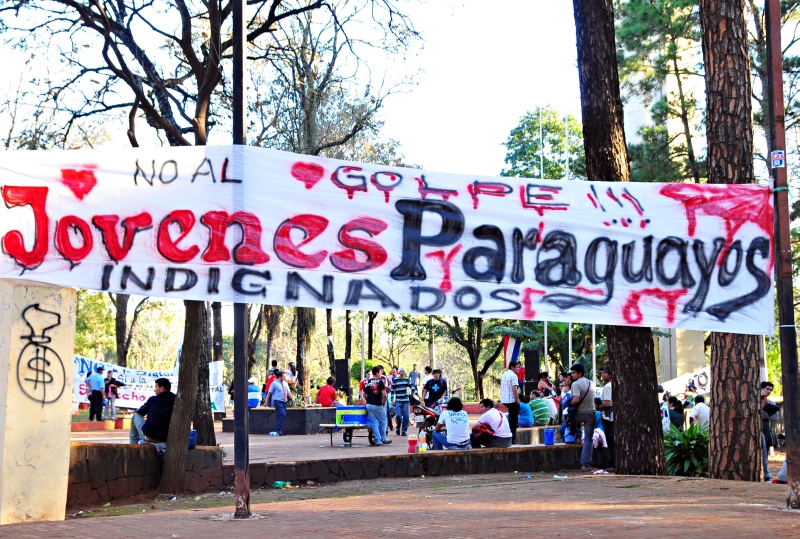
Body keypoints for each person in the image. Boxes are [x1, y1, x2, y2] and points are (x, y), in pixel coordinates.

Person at [129, 378, 175, 444]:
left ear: (162, 388)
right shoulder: (176, 400)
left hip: (149, 437)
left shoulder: (153, 400)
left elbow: (140, 412)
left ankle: (133, 444)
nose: (154, 390)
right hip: (166, 438)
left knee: (135, 415)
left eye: (156, 387)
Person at [569, 363, 596, 471]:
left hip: (580, 413)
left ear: (580, 373)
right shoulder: (591, 383)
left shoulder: (576, 384)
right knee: (589, 439)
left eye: (574, 373)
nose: (572, 375)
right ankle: (585, 464)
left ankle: (577, 436)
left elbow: (576, 399)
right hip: (591, 414)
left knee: (567, 422)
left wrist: (568, 403)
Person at [363, 366, 390, 446]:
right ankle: (384, 438)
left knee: (374, 422)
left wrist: (367, 401)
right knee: (383, 421)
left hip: (369, 405)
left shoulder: (367, 382)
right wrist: (384, 403)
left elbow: (364, 395)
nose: (381, 374)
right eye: (380, 372)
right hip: (378, 405)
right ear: (377, 373)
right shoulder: (380, 381)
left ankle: (378, 440)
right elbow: (385, 395)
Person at [761, 381, 779, 482]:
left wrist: (764, 408)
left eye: (770, 390)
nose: (768, 391)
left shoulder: (771, 403)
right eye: (767, 389)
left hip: (765, 427)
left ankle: (766, 473)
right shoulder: (753, 400)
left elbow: (774, 417)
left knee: (765, 452)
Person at [499, 360, 521, 443]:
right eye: (517, 366)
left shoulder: (504, 374)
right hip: (511, 400)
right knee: (514, 420)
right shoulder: (513, 376)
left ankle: (508, 434)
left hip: (504, 399)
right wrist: (517, 399)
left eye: (519, 366)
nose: (518, 368)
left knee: (511, 418)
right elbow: (514, 389)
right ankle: (512, 438)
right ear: (512, 367)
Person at [598, 365, 614, 467]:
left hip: (609, 417)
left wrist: (599, 407)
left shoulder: (607, 387)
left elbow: (607, 403)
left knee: (611, 441)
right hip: (614, 416)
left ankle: (613, 463)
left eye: (605, 373)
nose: (602, 374)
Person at [266, 371, 289, 436]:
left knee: (280, 415)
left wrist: (292, 399)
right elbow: (269, 393)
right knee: (283, 414)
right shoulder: (274, 383)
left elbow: (288, 391)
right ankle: (278, 430)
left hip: (284, 401)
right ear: (280, 376)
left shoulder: (285, 383)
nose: (284, 378)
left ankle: (278, 430)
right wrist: (266, 401)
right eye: (283, 376)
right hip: (277, 401)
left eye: (285, 376)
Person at [392, 367, 412, 435]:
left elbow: (412, 387)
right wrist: (392, 400)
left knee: (406, 416)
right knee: (398, 415)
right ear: (399, 372)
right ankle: (398, 427)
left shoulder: (407, 380)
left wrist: (417, 395)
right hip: (398, 400)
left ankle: (404, 430)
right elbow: (392, 391)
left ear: (404, 372)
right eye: (401, 371)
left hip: (406, 400)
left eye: (403, 371)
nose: (402, 373)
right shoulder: (395, 380)